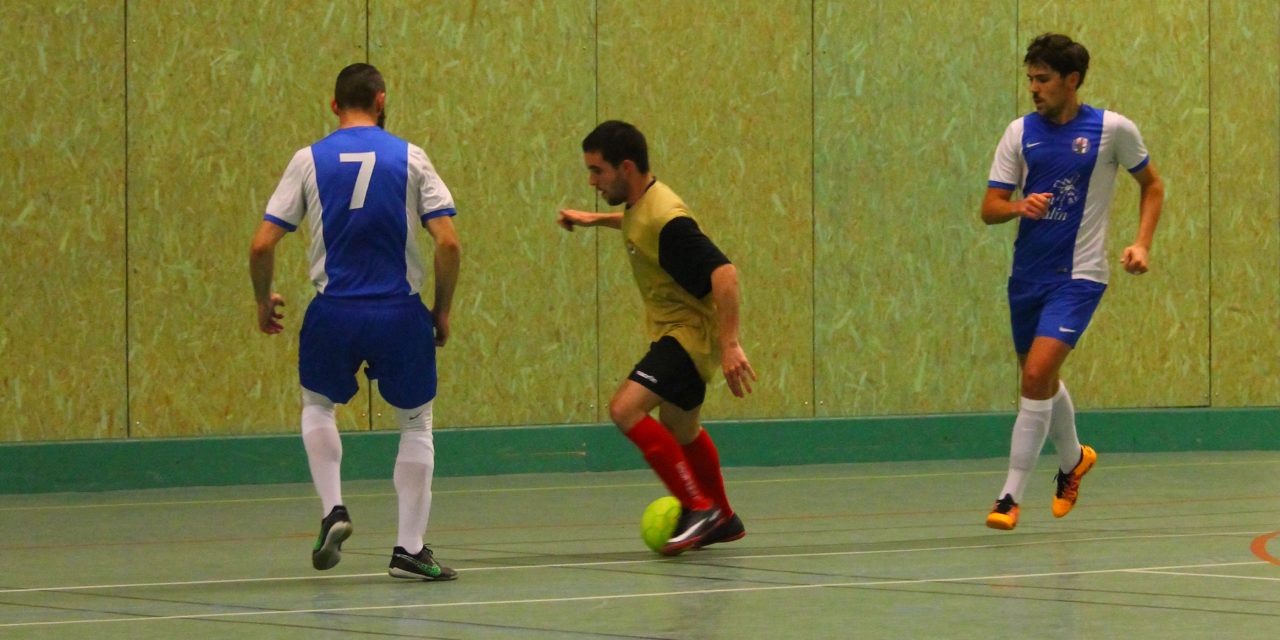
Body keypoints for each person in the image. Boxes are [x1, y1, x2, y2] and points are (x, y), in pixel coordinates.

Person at [249, 63, 461, 579]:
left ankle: (333, 509)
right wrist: (443, 308)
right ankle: (409, 550)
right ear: (382, 100)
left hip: (335, 311)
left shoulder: (308, 160)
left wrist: (262, 300)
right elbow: (449, 242)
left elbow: (261, 243)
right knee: (416, 423)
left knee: (318, 406)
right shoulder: (411, 157)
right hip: (398, 311)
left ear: (333, 105)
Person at [980, 34, 1164, 530]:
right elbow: (990, 208)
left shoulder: (1112, 130)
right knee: (1039, 379)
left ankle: (1009, 495)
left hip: (1079, 276)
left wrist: (1141, 242)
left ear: (1072, 80)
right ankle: (1074, 458)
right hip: (1028, 276)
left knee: (1035, 375)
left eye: (1043, 80)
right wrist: (1019, 205)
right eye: (1030, 79)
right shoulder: (1019, 133)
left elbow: (1152, 186)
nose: (1034, 89)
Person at [557, 121, 756, 554]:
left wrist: (731, 345)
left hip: (687, 337)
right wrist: (595, 220)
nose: (592, 182)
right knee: (682, 429)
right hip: (679, 334)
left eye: (597, 171)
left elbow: (724, 273)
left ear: (625, 167)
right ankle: (723, 515)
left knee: (624, 408)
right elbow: (637, 223)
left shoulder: (668, 220)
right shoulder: (641, 205)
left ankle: (697, 507)